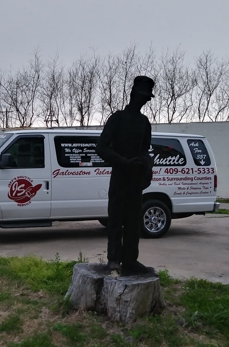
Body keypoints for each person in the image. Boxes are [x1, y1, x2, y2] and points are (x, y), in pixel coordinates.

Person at [96, 76, 155, 275]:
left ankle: (130, 260)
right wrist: (123, 161)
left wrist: (146, 162)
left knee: (133, 220)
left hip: (135, 178)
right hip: (120, 175)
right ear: (132, 95)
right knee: (115, 218)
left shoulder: (144, 122)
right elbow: (101, 147)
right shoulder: (117, 118)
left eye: (147, 98)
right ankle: (114, 259)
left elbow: (145, 149)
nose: (144, 100)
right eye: (142, 96)